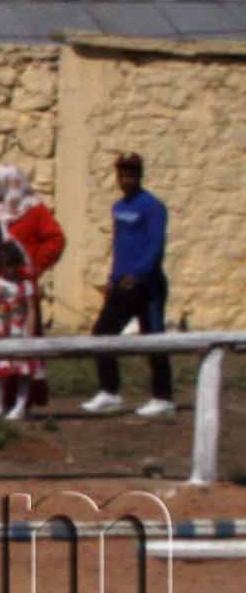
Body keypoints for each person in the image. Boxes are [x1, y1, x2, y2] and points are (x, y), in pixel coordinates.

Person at [84, 151, 176, 417]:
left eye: (131, 172)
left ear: (139, 174)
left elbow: (155, 246)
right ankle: (109, 391)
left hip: (148, 287)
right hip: (121, 284)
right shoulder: (119, 207)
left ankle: (163, 396)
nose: (125, 177)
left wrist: (137, 275)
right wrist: (113, 278)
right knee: (102, 334)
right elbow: (120, 247)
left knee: (154, 339)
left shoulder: (153, 206)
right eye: (122, 173)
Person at [0, 164, 65, 409]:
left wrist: (35, 265)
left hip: (22, 288)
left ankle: (24, 399)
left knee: (24, 339)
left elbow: (56, 239)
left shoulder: (35, 210)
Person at [0, 240, 42, 422]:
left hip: (19, 331)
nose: (11, 271)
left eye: (14, 266)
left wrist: (29, 332)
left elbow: (31, 309)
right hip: (0, 332)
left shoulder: (25, 286)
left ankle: (20, 406)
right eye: (7, 267)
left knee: (23, 371)